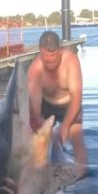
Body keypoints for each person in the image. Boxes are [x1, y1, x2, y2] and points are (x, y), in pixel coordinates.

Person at [27, 30, 87, 176]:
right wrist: (40, 123)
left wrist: (65, 126)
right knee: (35, 145)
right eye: (45, 60)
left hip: (70, 105)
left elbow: (77, 98)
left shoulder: (71, 61)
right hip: (46, 106)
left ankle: (82, 177)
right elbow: (34, 108)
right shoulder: (35, 70)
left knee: (76, 138)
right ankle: (39, 178)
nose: (50, 64)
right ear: (40, 52)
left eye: (53, 59)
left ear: (60, 51)